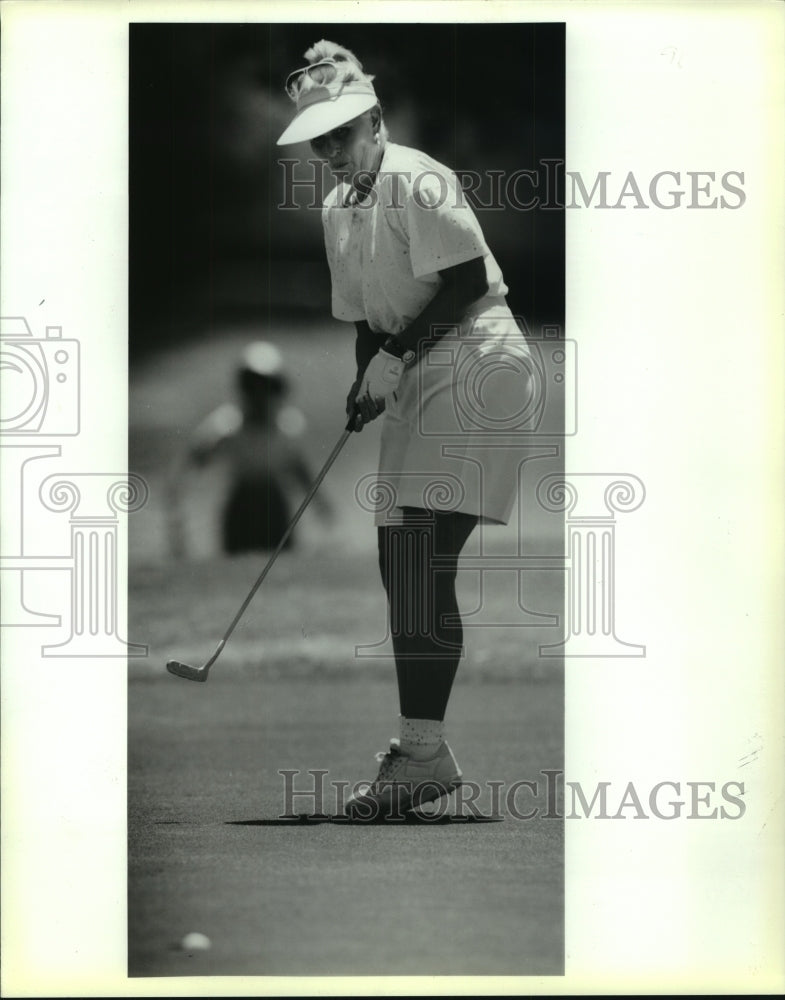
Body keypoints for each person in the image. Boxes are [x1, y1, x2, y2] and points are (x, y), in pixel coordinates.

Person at [277, 40, 532, 819]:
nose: (330, 151)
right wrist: (369, 380)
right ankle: (424, 752)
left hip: (477, 362)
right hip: (421, 372)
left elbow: (460, 280)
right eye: (318, 140)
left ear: (375, 121)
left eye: (342, 134)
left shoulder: (416, 178)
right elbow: (364, 318)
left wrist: (390, 356)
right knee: (401, 563)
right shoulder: (334, 209)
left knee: (420, 558)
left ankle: (421, 756)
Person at [167, 341, 332, 557]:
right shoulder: (226, 426)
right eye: (253, 387)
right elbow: (190, 467)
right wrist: (177, 516)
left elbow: (301, 473)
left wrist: (323, 509)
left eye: (267, 387)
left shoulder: (287, 426)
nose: (260, 396)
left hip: (276, 512)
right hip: (241, 512)